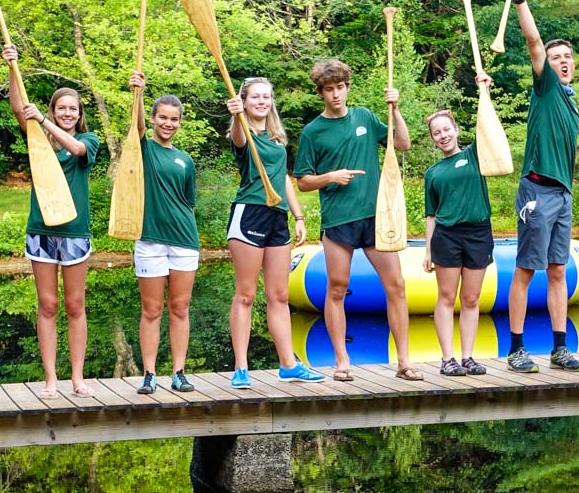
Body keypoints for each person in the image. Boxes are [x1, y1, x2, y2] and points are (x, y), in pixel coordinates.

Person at [292, 59, 421, 382]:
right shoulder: (313, 132)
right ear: (320, 93)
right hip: (338, 221)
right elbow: (303, 181)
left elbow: (402, 144)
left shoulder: (364, 117)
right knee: (337, 288)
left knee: (397, 286)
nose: (335, 95)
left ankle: (404, 361)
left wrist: (396, 109)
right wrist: (331, 177)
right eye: (329, 90)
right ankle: (342, 361)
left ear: (347, 87)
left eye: (340, 88)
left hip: (376, 217)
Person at [4, 45, 100, 399]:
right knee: (48, 305)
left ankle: (77, 377)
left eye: (73, 109)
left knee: (75, 305)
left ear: (79, 114)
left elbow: (76, 150)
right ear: (53, 110)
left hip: (75, 232)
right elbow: (18, 106)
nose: (67, 113)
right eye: (61, 108)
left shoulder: (88, 140)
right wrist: (12, 67)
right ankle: (50, 379)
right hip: (41, 231)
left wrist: (42, 120)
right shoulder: (38, 139)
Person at [503, 0, 579, 373]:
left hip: (564, 194)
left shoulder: (571, 101)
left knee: (557, 270)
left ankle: (559, 347)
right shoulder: (546, 88)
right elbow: (534, 41)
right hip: (536, 191)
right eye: (556, 58)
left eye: (568, 56)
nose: (563, 61)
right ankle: (516, 348)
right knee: (525, 269)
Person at [224, 78, 326, 389]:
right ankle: (241, 368)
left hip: (276, 217)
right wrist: (236, 113)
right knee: (246, 295)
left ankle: (288, 364)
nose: (262, 101)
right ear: (245, 100)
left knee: (279, 295)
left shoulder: (277, 141)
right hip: (249, 213)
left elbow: (283, 179)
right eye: (255, 97)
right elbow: (238, 137)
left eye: (266, 97)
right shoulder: (243, 133)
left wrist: (298, 216)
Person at [129, 73, 199, 394]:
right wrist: (138, 94)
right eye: (163, 118)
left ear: (180, 122)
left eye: (174, 119)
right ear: (154, 119)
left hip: (184, 241)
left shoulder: (185, 159)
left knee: (180, 308)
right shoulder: (143, 148)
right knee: (151, 309)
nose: (168, 124)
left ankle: (179, 371)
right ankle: (149, 373)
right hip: (150, 240)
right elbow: (137, 126)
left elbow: (188, 202)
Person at [422, 104, 494, 376]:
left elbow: (487, 126)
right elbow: (431, 215)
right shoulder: (433, 173)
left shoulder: (475, 155)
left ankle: (468, 357)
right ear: (433, 138)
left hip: (478, 233)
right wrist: (428, 251)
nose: (442, 135)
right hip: (447, 236)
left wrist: (484, 91)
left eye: (446, 130)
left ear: (456, 130)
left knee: (472, 298)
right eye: (436, 133)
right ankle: (447, 359)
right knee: (447, 296)